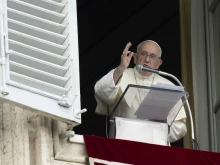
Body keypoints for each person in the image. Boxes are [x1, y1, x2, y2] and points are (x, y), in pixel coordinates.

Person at [94, 40, 187, 143]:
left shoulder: (169, 86)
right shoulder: (120, 75)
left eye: (152, 56)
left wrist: (164, 125)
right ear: (135, 57)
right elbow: (101, 92)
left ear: (158, 63)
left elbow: (180, 127)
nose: (147, 59)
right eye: (143, 54)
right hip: (122, 145)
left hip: (155, 148)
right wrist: (121, 68)